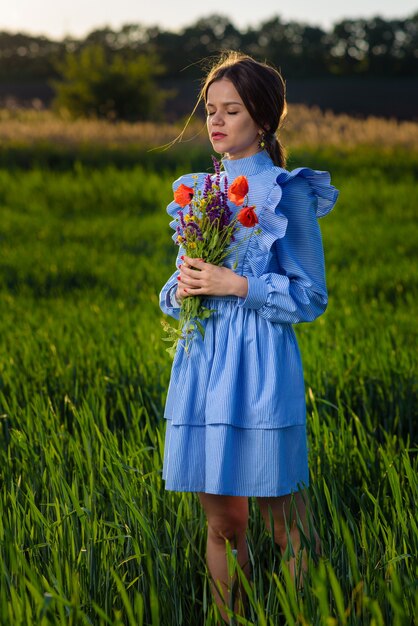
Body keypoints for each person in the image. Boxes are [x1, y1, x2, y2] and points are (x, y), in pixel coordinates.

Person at [159, 50, 339, 623]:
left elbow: (310, 296)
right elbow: (172, 288)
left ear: (262, 118)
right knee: (222, 523)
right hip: (203, 364)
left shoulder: (287, 192)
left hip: (261, 368)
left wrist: (239, 284)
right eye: (210, 109)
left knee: (284, 524)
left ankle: (300, 615)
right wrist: (181, 289)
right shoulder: (197, 191)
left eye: (230, 110)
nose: (215, 120)